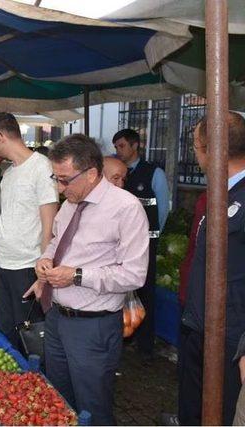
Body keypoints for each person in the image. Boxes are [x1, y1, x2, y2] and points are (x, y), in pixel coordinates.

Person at [25, 133, 149, 425]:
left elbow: (134, 274)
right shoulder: (70, 204)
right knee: (59, 398)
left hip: (94, 325)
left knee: (92, 407)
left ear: (92, 173)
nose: (59, 186)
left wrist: (78, 276)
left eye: (65, 179)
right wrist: (45, 261)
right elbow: (57, 242)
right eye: (55, 178)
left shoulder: (126, 208)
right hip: (57, 318)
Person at [178, 112, 245, 425]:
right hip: (202, 328)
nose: (195, 153)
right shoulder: (220, 194)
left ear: (212, 149)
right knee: (195, 411)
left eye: (195, 145)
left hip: (230, 342)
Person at [0, 112, 58, 351]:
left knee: (30, 336)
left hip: (28, 267)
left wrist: (43, 277)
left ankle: (35, 382)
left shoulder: (42, 168)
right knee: (5, 333)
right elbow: (7, 221)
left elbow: (49, 227)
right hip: (3, 266)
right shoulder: (9, 173)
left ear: (1, 136)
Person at [113, 128, 170, 360]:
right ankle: (123, 338)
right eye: (116, 147)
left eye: (122, 146)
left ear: (135, 146)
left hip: (146, 245)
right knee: (119, 291)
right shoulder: (115, 173)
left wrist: (151, 239)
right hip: (119, 245)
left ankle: (145, 345)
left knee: (145, 293)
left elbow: (163, 209)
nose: (118, 151)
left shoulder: (153, 173)